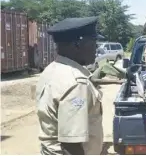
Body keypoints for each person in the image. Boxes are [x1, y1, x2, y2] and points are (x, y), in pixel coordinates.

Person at [35, 17, 104, 155]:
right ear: (78, 44)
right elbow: (71, 144)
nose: (96, 48)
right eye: (93, 42)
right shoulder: (77, 83)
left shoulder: (51, 70)